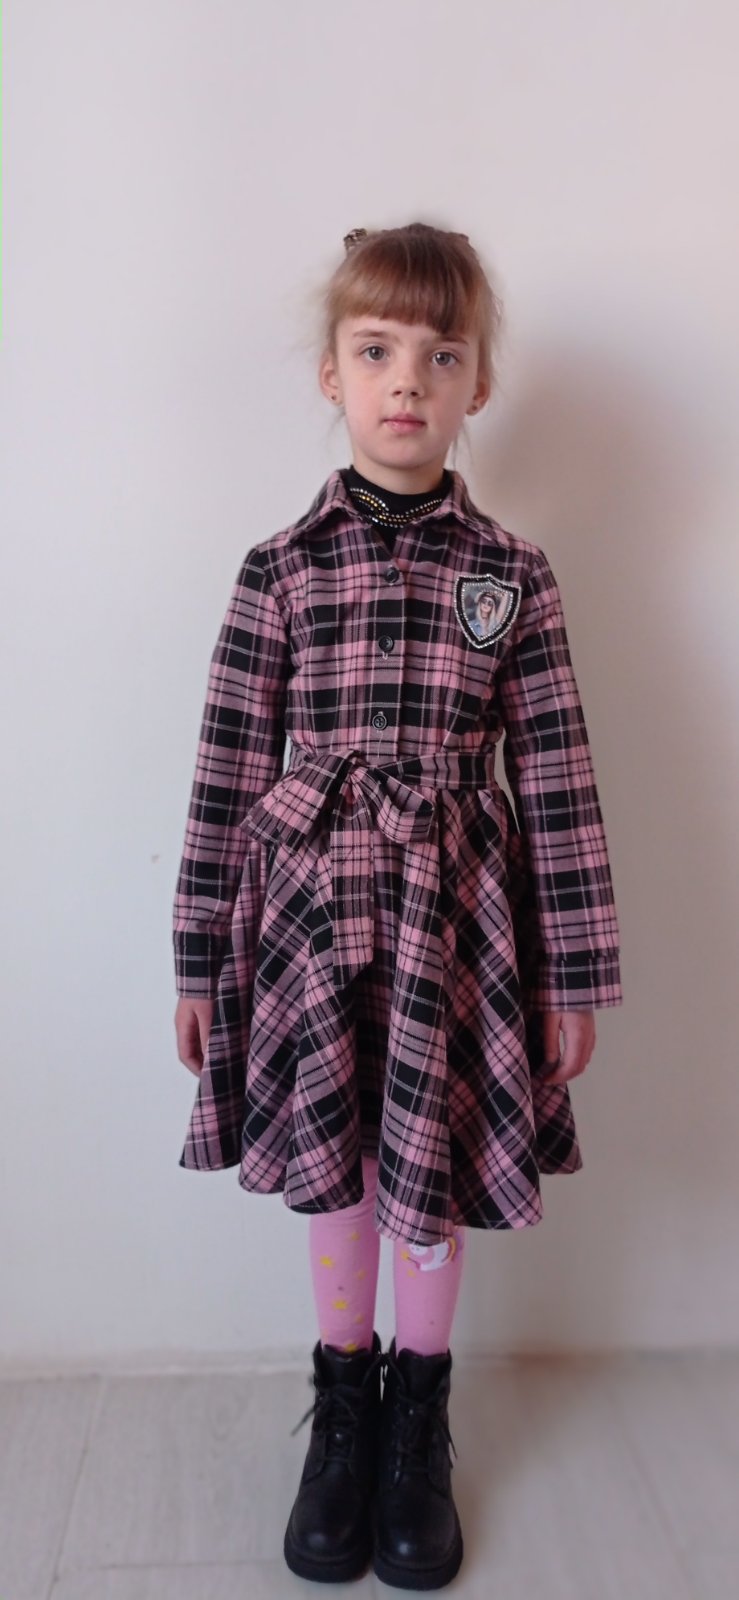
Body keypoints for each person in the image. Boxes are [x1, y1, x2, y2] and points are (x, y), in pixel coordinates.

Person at [172, 221, 623, 1591]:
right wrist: (197, 962)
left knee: (424, 1167)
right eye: (376, 352)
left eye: (440, 353)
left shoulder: (513, 576)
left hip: (456, 931)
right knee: (343, 1169)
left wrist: (571, 974)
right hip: (310, 928)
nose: (407, 380)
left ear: (479, 381)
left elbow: (556, 776)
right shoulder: (278, 569)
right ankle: (344, 1417)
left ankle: (417, 1426)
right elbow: (226, 773)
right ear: (332, 373)